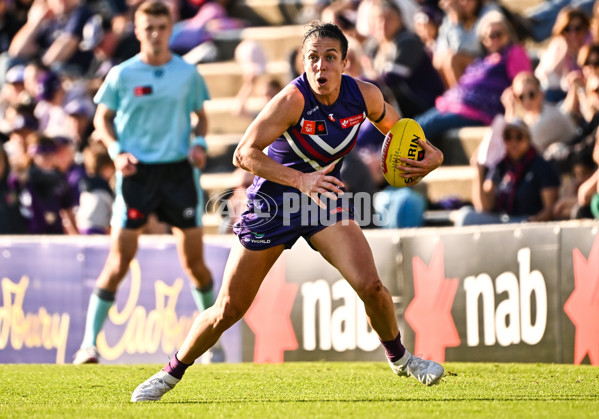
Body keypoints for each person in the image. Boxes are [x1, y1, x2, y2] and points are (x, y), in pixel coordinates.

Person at [131, 20, 446, 402]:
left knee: (372, 288)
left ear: (345, 63)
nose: (320, 66)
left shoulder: (365, 96)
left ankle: (401, 359)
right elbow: (243, 154)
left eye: (330, 58)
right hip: (273, 205)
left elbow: (402, 135)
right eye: (312, 58)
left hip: (322, 203)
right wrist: (302, 181)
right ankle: (169, 373)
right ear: (303, 62)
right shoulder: (292, 100)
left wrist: (432, 155)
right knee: (228, 308)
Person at [73, 0, 222, 365]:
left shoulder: (186, 74)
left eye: (161, 27)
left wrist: (199, 143)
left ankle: (212, 345)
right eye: (148, 28)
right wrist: (115, 150)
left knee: (195, 265)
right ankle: (89, 344)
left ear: (170, 30)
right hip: (137, 174)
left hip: (178, 174)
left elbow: (200, 116)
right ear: (137, 31)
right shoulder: (122, 74)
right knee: (119, 261)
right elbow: (102, 120)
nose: (155, 34)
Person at [415, 10, 532, 144]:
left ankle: (398, 160)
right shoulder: (485, 59)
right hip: (456, 104)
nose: (494, 39)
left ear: (508, 34)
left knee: (425, 126)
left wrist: (511, 96)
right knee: (418, 122)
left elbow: (523, 82)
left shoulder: (514, 52)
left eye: (498, 34)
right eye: (488, 36)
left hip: (481, 110)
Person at [453, 118, 561, 226]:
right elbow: (484, 207)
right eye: (508, 137)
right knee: (465, 215)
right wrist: (479, 171)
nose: (513, 142)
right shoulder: (500, 164)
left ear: (528, 139)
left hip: (527, 222)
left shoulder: (541, 165)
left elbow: (550, 209)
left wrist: (530, 223)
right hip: (503, 221)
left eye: (519, 137)